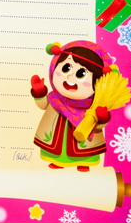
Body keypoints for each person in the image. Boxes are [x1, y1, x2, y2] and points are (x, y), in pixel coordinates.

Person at [30, 40, 113, 171]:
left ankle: (84, 162)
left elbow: (97, 126)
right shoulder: (55, 98)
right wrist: (39, 92)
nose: (70, 77)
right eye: (66, 68)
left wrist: (102, 118)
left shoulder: (94, 104)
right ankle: (57, 160)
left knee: (84, 151)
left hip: (84, 141)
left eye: (81, 74)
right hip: (54, 137)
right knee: (56, 148)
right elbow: (43, 105)